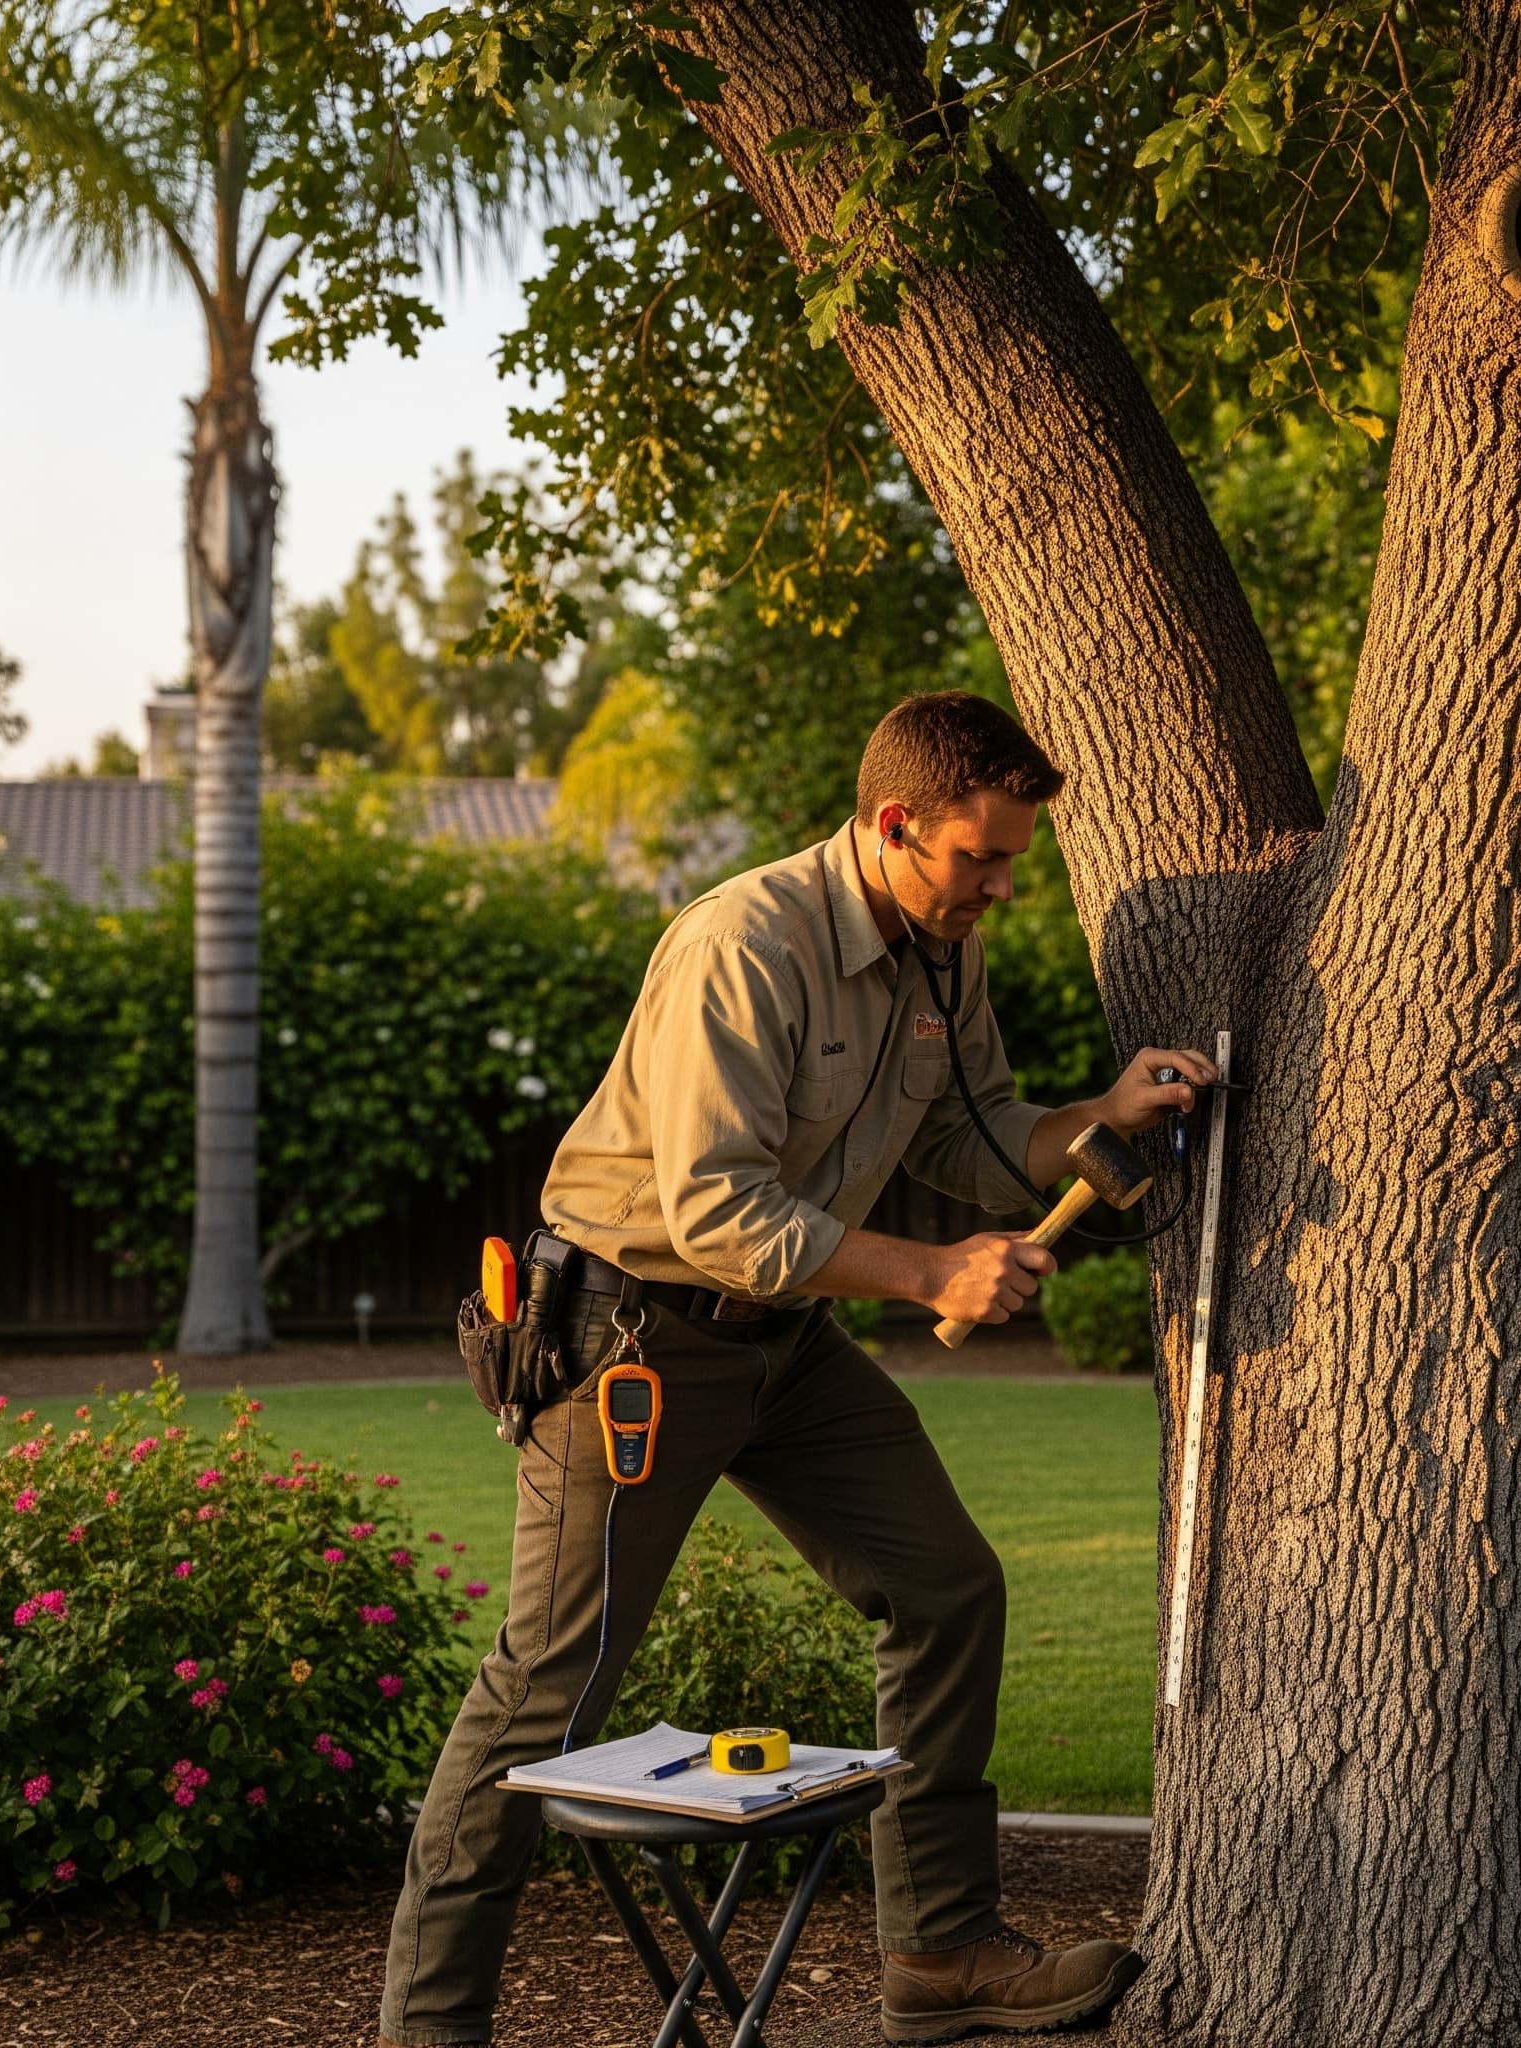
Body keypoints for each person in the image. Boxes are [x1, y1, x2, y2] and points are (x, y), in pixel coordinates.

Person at [378, 691, 1216, 2047]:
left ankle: (939, 1955)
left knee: (947, 1588)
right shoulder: (743, 944)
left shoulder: (944, 949)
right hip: (633, 1348)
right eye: (980, 858)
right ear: (895, 826)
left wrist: (1100, 1118)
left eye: (1014, 861)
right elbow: (715, 1212)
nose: (1002, 888)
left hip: (784, 1345)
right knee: (552, 1686)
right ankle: (427, 2029)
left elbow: (978, 1133)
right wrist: (939, 1274)